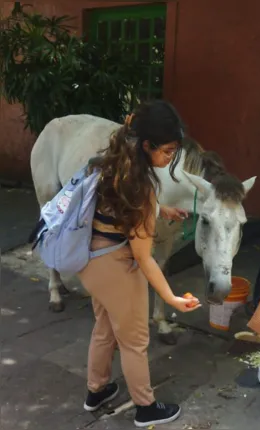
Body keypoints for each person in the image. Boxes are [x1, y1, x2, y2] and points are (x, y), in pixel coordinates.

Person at [78, 100, 202, 428]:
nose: (171, 158)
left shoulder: (110, 163)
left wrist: (161, 209)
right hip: (117, 266)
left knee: (104, 328)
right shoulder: (142, 186)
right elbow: (145, 258)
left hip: (90, 261)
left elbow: (120, 206)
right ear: (147, 146)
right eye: (168, 151)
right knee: (135, 341)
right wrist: (172, 298)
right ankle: (146, 408)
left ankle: (96, 391)